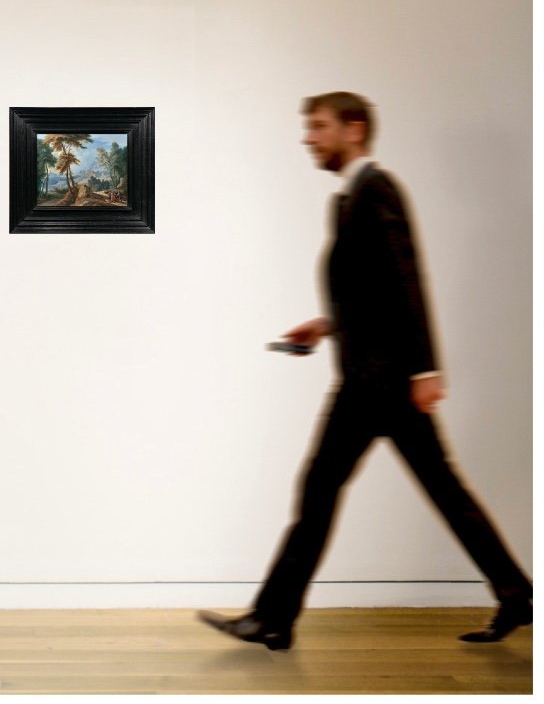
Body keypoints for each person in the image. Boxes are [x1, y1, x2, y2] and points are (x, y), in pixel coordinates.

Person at [197, 92, 532, 651]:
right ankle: (517, 594)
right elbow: (373, 292)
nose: (309, 138)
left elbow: (407, 280)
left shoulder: (378, 189)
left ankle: (273, 617)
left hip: (382, 382)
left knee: (322, 491)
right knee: (438, 491)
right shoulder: (346, 201)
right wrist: (327, 326)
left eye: (319, 127)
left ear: (354, 130)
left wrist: (426, 369)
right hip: (372, 376)